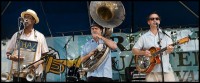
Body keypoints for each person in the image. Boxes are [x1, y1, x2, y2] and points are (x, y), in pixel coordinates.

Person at [6, 9, 49, 82]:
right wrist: (12, 57)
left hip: (33, 74)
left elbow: (45, 56)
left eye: (28, 17)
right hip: (18, 73)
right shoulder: (17, 35)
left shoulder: (40, 36)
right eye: (24, 17)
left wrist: (37, 63)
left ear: (34, 21)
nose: (26, 19)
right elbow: (8, 54)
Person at [132, 12, 176, 82]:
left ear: (159, 21)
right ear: (148, 22)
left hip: (166, 70)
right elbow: (134, 50)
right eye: (152, 19)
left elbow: (169, 51)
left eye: (157, 19)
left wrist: (170, 49)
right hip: (150, 71)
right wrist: (143, 52)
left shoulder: (166, 35)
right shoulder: (144, 37)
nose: (155, 20)